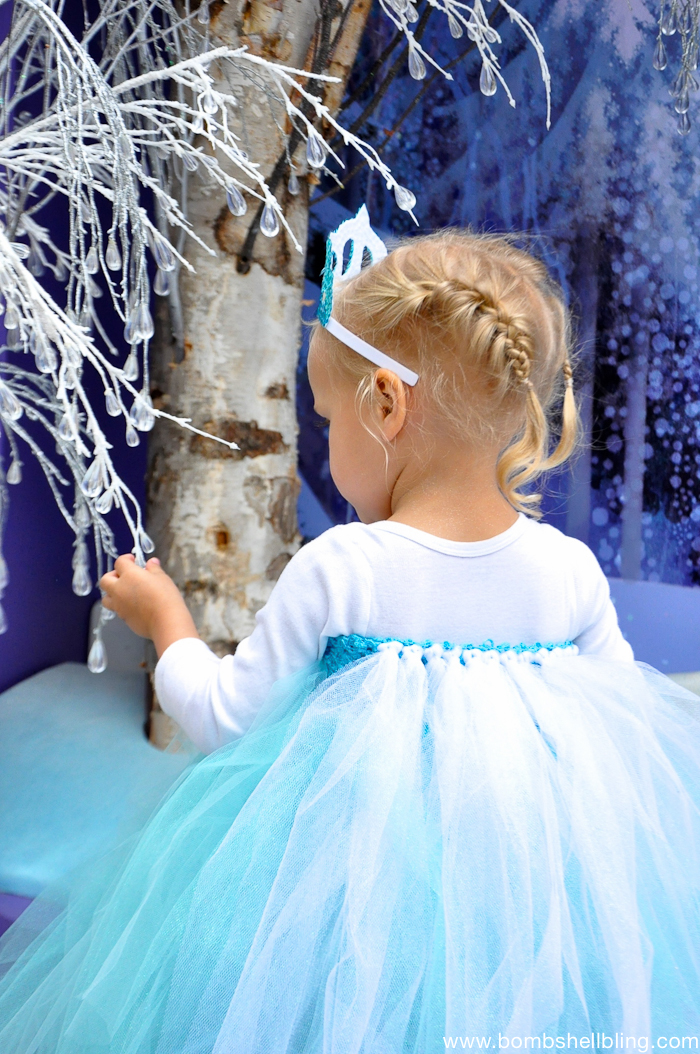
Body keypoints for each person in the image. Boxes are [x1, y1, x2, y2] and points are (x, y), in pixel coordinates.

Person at [1, 222, 699, 1053]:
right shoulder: (569, 570)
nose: (326, 441)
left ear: (386, 405)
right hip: (523, 908)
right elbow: (622, 737)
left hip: (349, 912)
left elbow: (226, 719)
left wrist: (168, 624)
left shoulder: (345, 567)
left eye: (328, 419)